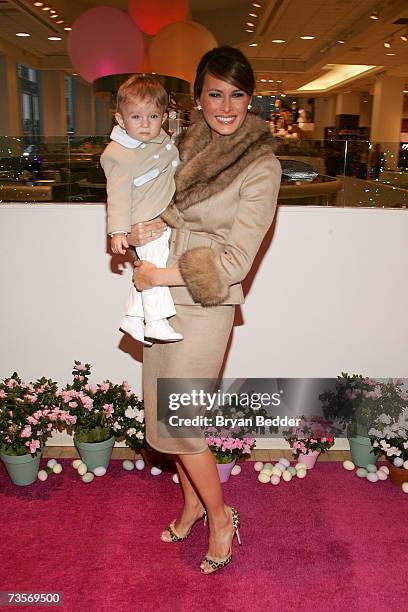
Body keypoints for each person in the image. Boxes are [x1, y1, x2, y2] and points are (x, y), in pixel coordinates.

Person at [127, 46, 282, 574]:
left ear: (250, 98)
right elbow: (173, 207)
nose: (226, 105)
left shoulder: (262, 165)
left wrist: (163, 273)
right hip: (160, 300)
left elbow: (235, 260)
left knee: (182, 427)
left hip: (203, 304)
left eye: (237, 94)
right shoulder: (186, 143)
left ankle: (220, 517)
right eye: (215, 93)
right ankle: (192, 503)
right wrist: (146, 227)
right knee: (160, 417)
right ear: (197, 97)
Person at [100, 75, 183, 345]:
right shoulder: (118, 154)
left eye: (153, 117)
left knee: (149, 266)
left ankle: (133, 319)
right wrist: (118, 232)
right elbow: (118, 196)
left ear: (164, 116)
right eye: (136, 117)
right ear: (121, 120)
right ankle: (156, 321)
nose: (146, 124)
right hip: (146, 223)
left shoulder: (162, 140)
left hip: (164, 216)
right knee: (153, 267)